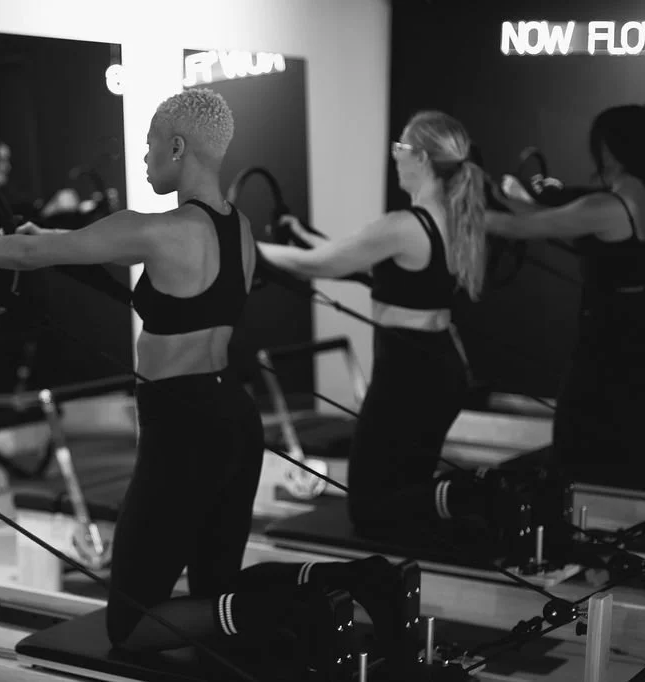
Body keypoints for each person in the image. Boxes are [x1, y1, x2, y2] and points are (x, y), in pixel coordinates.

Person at [0, 88, 412, 674]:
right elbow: (74, 254)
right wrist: (45, 239)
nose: (144, 155)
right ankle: (357, 578)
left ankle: (306, 606)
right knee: (215, 591)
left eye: (149, 142)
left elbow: (26, 254)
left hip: (181, 431)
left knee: (130, 624)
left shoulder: (159, 230)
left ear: (177, 146)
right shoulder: (239, 230)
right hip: (233, 418)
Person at [257, 111, 530, 549]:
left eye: (400, 147)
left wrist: (243, 246)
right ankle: (471, 503)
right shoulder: (457, 220)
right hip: (440, 368)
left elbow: (321, 264)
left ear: (420, 157)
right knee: (404, 485)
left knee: (369, 506)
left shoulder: (404, 226)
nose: (395, 156)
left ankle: (482, 495)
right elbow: (362, 263)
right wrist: (300, 232)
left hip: (407, 374)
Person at [490, 104, 645, 488]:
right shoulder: (632, 196)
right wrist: (500, 196)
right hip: (628, 331)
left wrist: (456, 211)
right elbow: (542, 217)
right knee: (619, 429)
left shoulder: (610, 206)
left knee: (583, 429)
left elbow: (523, 227)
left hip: (611, 339)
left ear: (611, 150)